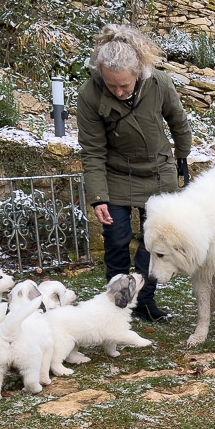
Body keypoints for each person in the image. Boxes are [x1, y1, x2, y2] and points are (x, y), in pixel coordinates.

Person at [77, 23, 192, 322]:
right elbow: (92, 150)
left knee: (154, 242)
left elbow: (178, 121)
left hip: (158, 172)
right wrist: (98, 196)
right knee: (116, 237)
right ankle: (117, 301)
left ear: (139, 70)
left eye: (124, 86)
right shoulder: (89, 94)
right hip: (115, 174)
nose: (118, 91)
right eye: (111, 84)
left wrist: (183, 155)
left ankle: (142, 300)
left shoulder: (160, 84)